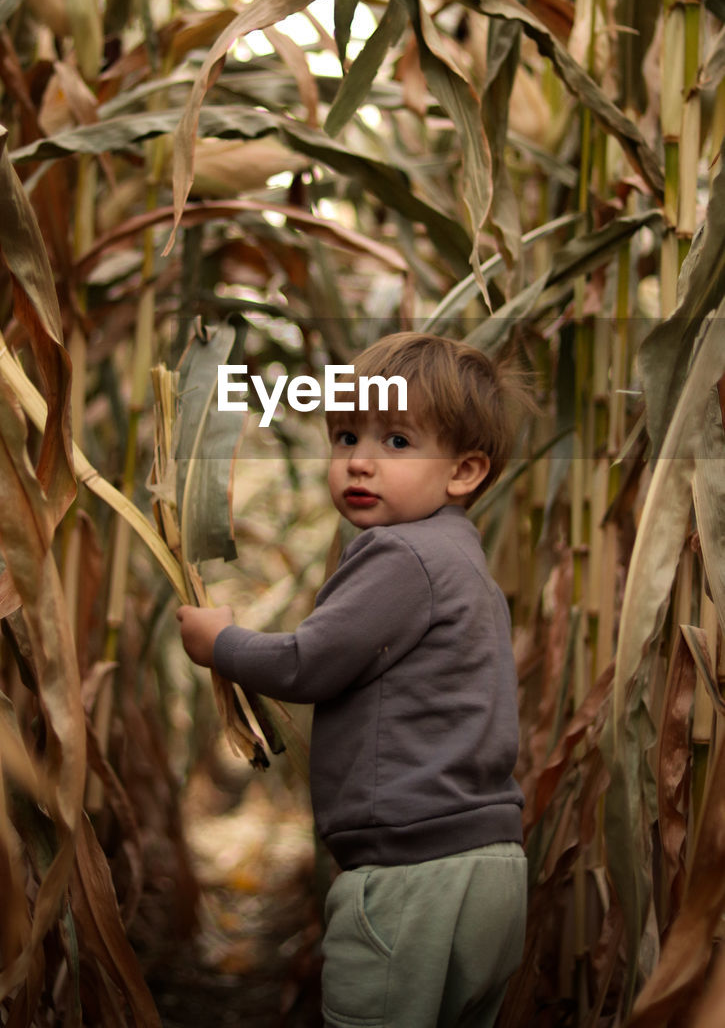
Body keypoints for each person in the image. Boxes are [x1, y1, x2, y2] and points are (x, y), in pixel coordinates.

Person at [177, 332, 529, 1028]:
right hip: (490, 871)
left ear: (463, 472)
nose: (359, 462)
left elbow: (308, 663)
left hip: (409, 877)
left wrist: (220, 643)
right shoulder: (463, 561)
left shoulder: (399, 554)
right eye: (344, 437)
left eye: (396, 441)